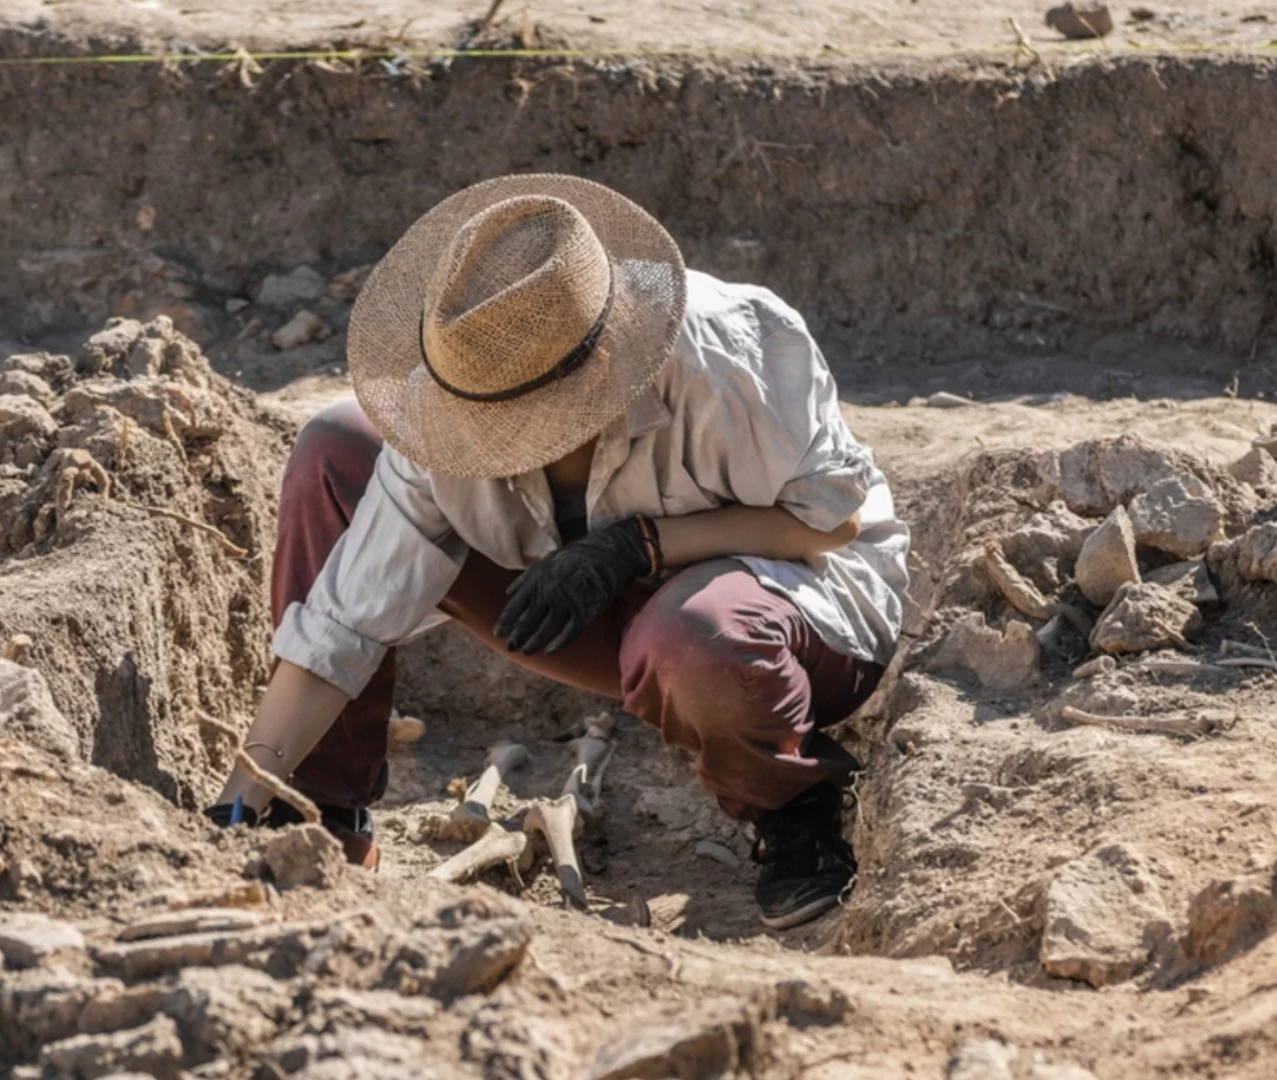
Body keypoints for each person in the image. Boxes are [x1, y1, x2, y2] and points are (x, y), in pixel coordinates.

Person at [207, 174, 908, 929]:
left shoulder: (732, 353)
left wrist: (639, 547)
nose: (484, 447)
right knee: (337, 448)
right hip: (594, 612)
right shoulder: (458, 388)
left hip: (794, 609)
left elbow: (831, 522)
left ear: (597, 372)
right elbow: (345, 617)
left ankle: (794, 801)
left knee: (693, 634)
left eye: (517, 425)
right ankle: (316, 815)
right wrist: (248, 790)